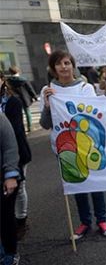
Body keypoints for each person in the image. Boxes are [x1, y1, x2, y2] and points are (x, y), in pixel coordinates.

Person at [39, 50, 106, 240]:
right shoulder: (47, 90)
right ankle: (84, 222)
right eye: (59, 64)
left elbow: (92, 116)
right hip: (64, 147)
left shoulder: (85, 88)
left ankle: (102, 219)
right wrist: (48, 106)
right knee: (77, 185)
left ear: (72, 65)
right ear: (53, 68)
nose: (63, 67)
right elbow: (45, 124)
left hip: (87, 144)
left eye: (66, 63)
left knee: (95, 181)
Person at [1, 75, 31, 242]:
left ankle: (21, 219)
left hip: (17, 152)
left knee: (19, 187)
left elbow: (16, 130)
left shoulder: (13, 102)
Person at [0, 112, 20, 265]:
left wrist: (10, 175)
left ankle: (10, 253)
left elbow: (10, 147)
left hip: (3, 178)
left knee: (5, 218)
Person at [5, 66, 37, 132]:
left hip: (14, 99)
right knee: (27, 112)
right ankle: (29, 126)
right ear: (18, 71)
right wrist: (34, 96)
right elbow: (29, 89)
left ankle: (21, 128)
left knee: (18, 114)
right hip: (24, 98)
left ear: (10, 72)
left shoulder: (8, 81)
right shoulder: (24, 80)